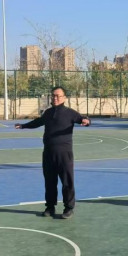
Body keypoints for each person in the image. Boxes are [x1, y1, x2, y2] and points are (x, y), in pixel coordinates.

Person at [15, 86, 90, 219]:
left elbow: (83, 119)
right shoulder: (48, 112)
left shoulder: (70, 113)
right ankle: (50, 207)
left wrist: (87, 121)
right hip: (48, 152)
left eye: (58, 96)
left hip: (64, 154)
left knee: (67, 182)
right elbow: (38, 122)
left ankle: (68, 208)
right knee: (50, 181)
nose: (55, 98)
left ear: (64, 98)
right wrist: (23, 126)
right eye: (53, 96)